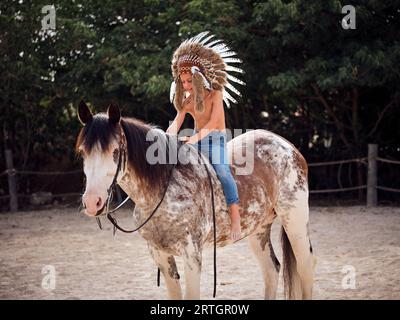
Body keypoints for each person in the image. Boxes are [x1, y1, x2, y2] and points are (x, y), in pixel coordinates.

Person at [166, 31, 245, 241]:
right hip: (196, 140)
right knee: (179, 171)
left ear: (199, 77)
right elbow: (177, 120)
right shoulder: (187, 100)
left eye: (189, 81)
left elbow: (214, 123)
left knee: (222, 172)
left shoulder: (215, 94)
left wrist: (192, 140)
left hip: (214, 140)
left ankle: (234, 214)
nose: (186, 85)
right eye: (182, 82)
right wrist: (168, 136)